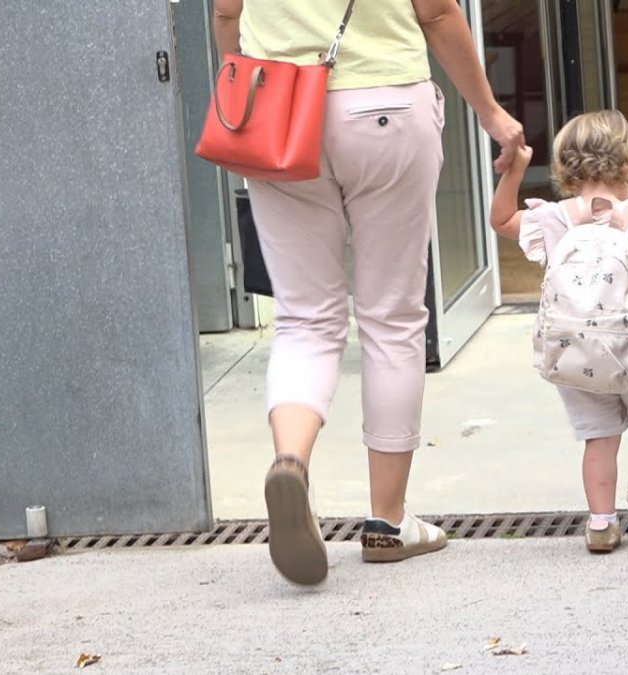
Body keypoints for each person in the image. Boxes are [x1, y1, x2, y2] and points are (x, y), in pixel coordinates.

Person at [212, 0, 524, 585]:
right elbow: (436, 14)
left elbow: (227, 12)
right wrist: (489, 112)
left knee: (305, 318)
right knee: (392, 319)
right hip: (385, 105)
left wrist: (243, 82)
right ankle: (388, 522)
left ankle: (291, 461)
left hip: (275, 106)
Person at [489, 111, 628, 553]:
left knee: (599, 436)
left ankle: (600, 522)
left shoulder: (554, 219)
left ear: (563, 171)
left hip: (574, 353)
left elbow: (501, 221)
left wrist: (515, 170)